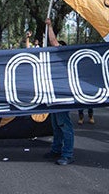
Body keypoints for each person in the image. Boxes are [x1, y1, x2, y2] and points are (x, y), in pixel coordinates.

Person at [42, 18, 74, 166]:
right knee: (56, 125)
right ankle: (56, 149)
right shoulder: (55, 62)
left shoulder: (65, 58)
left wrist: (49, 26)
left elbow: (54, 42)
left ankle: (67, 154)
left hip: (62, 97)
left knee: (64, 125)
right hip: (53, 97)